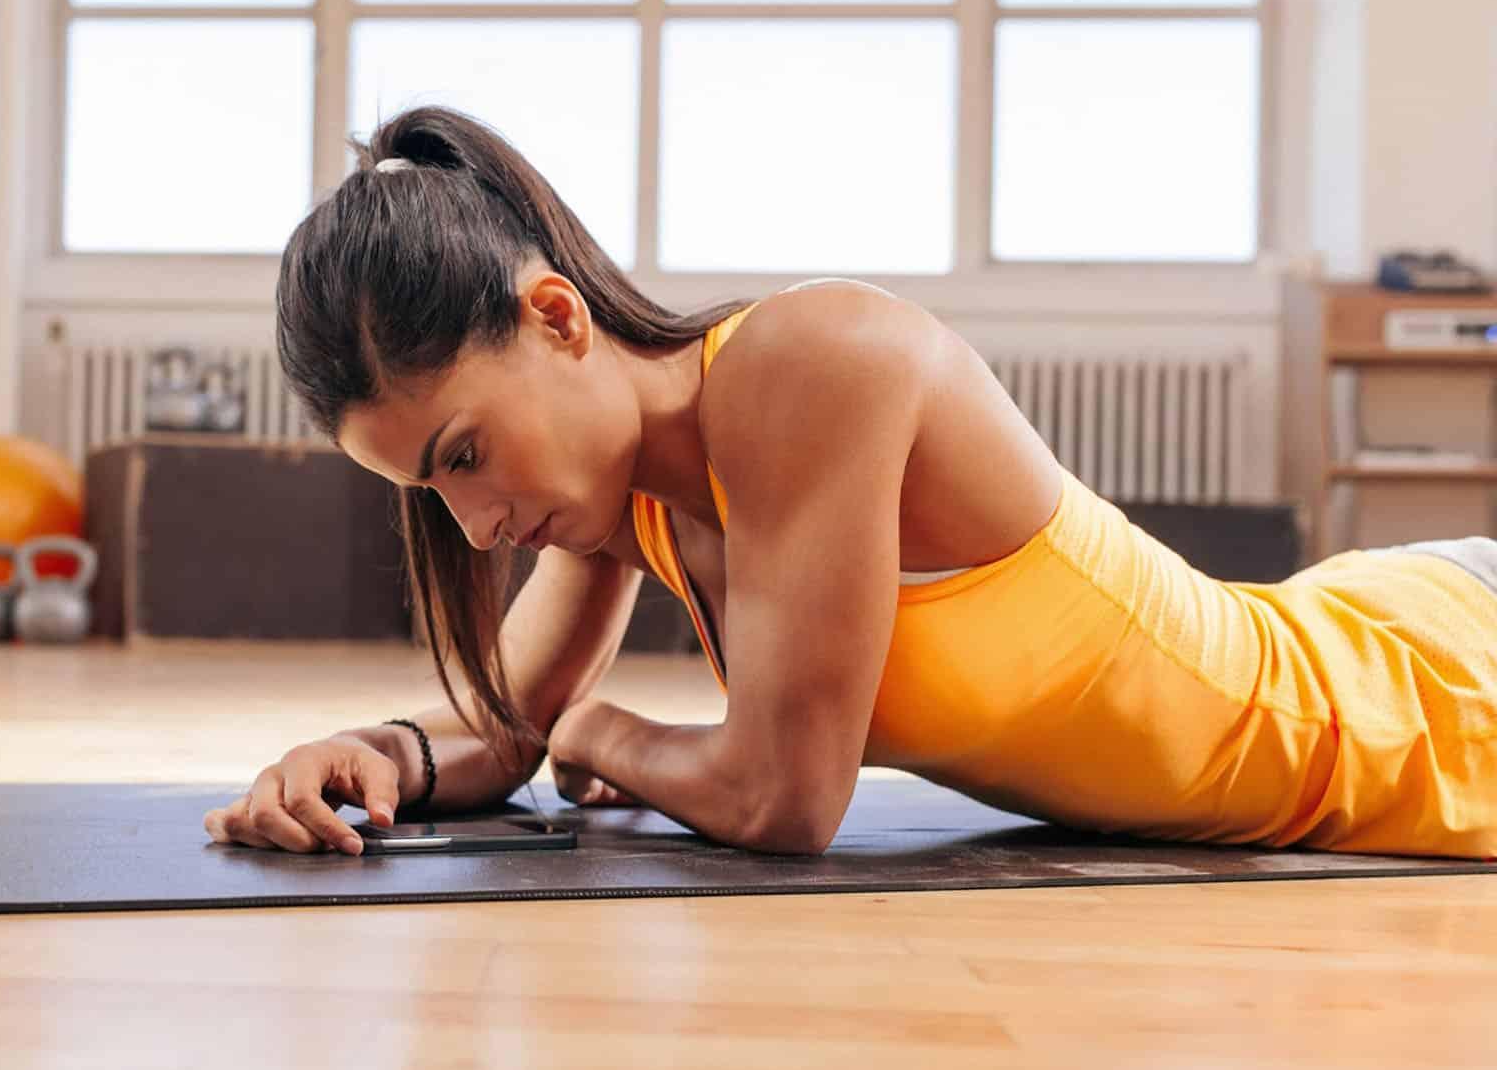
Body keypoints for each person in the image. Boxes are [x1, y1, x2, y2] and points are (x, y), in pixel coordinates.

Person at [204, 105, 1497, 860]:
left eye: (466, 455)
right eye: (431, 495)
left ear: (557, 318)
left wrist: (595, 734)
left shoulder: (808, 364)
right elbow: (501, 731)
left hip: (1434, 692)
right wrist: (367, 755)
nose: (476, 522)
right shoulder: (613, 503)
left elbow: (780, 799)